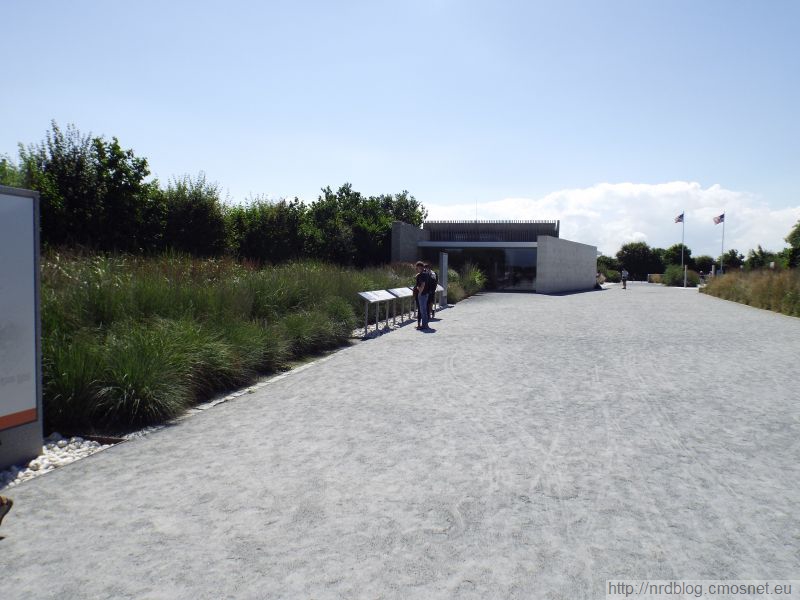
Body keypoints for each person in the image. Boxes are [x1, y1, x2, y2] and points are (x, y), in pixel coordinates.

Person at [414, 260, 431, 329]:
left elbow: (423, 284)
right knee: (424, 309)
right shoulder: (426, 273)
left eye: (417, 267)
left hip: (422, 294)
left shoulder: (422, 274)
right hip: (426, 293)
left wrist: (419, 293)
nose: (416, 269)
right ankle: (425, 324)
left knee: (422, 310)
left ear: (419, 267)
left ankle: (424, 325)